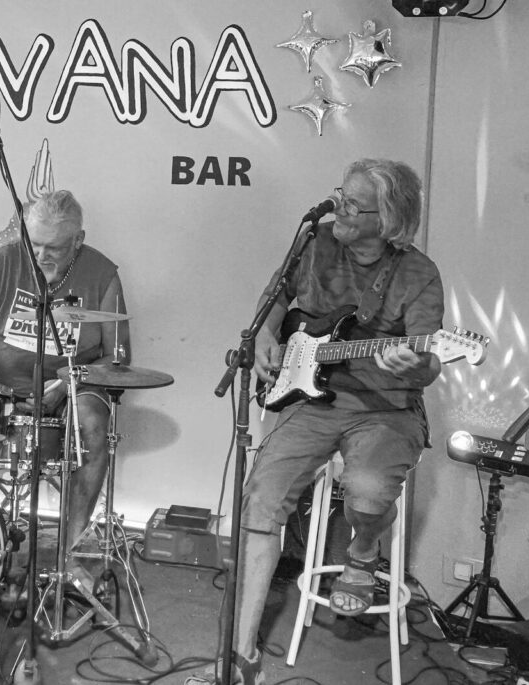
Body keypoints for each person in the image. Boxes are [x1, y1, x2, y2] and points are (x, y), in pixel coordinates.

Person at [193, 159, 444, 684]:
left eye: (353, 205)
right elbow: (275, 298)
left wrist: (413, 363)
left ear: (388, 220)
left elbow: (429, 361)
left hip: (384, 407)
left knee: (368, 491)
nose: (339, 210)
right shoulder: (316, 240)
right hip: (311, 401)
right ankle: (242, 657)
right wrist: (266, 336)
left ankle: (363, 550)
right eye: (340, 196)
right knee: (261, 501)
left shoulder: (419, 274)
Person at [0, 189, 130, 583]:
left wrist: (67, 383)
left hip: (69, 390)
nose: (41, 255)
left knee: (94, 423)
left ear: (78, 240)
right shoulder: (5, 261)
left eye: (54, 248)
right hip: (1, 390)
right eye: (34, 243)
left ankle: (69, 553)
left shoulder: (102, 275)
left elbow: (117, 358)